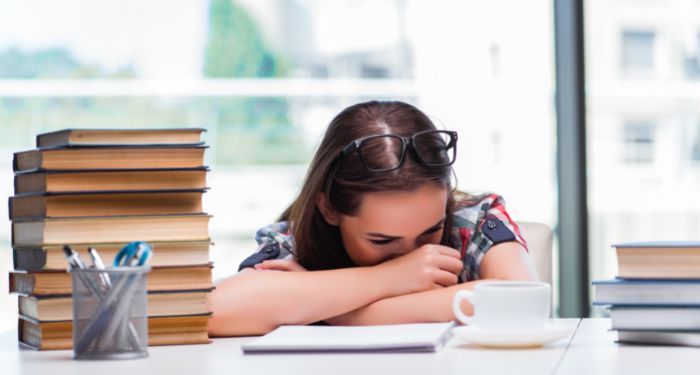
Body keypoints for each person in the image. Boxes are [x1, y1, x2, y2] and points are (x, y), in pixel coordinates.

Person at [207, 100, 538, 336]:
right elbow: (212, 311)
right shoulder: (296, 241)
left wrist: (343, 314)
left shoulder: (474, 220)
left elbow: (524, 301)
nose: (416, 256)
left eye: (431, 231)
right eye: (382, 240)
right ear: (329, 209)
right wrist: (388, 278)